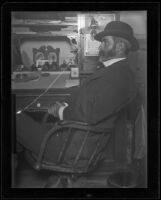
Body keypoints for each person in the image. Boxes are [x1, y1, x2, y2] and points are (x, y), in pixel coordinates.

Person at [16, 21, 139, 165]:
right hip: (72, 138)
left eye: (105, 42)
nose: (100, 47)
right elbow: (87, 95)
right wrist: (65, 101)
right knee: (19, 123)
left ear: (120, 46)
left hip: (72, 148)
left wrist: (61, 111)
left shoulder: (120, 78)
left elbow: (90, 113)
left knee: (13, 121)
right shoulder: (114, 71)